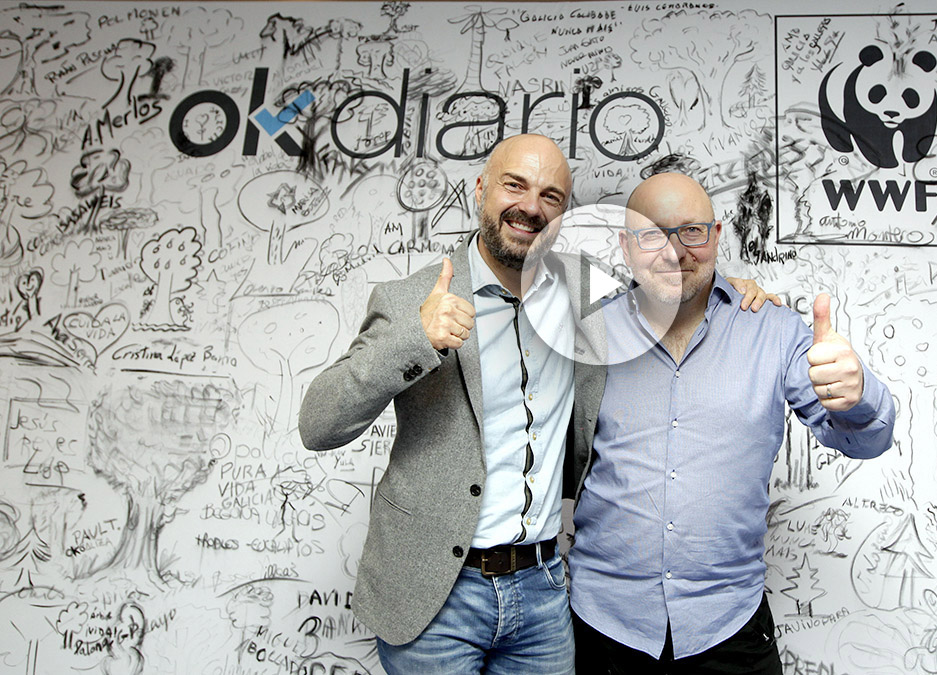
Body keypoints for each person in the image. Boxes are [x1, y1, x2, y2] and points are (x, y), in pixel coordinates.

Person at [298, 136, 776, 674]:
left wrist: (727, 289)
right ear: (480, 189)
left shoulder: (584, 295)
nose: (531, 207)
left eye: (551, 196)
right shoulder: (413, 300)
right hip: (436, 595)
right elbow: (319, 424)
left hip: (544, 595)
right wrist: (415, 338)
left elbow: (671, 276)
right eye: (514, 185)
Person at [568, 172, 897, 674]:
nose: (674, 251)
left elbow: (865, 441)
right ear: (626, 246)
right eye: (652, 234)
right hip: (603, 626)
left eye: (692, 231)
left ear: (718, 236)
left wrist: (857, 397)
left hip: (728, 625)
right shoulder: (589, 334)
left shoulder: (775, 330)